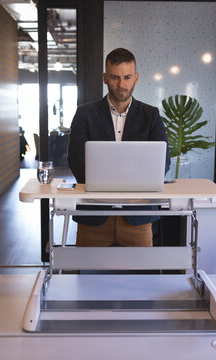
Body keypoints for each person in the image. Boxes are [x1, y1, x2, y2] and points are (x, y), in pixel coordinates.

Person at [68, 48, 171, 247]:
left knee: (142, 277)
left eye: (127, 77)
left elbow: (162, 163)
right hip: (93, 217)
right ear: (105, 78)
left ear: (136, 78)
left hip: (138, 218)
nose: (121, 84)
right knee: (87, 277)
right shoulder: (84, 114)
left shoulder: (151, 115)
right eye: (115, 77)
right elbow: (76, 160)